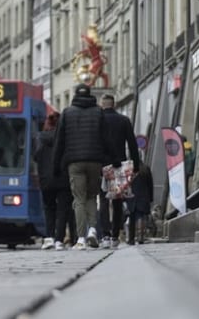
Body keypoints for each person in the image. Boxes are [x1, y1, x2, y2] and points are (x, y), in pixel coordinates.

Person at [52, 84, 113, 250]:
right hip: (95, 161)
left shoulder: (67, 113)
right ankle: (93, 230)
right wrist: (112, 161)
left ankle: (80, 238)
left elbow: (60, 142)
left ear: (74, 95)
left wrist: (56, 165)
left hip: (75, 162)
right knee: (92, 196)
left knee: (78, 199)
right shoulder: (98, 112)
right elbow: (106, 139)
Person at [97, 94, 140, 248]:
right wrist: (136, 166)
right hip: (119, 165)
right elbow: (132, 144)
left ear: (102, 104)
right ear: (114, 104)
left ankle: (105, 235)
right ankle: (115, 234)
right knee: (117, 199)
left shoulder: (98, 120)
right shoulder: (123, 120)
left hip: (102, 164)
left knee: (103, 199)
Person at [33, 112, 76, 250]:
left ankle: (49, 237)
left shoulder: (40, 137)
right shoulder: (66, 138)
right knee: (63, 210)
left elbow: (36, 156)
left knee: (49, 208)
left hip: (46, 179)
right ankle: (59, 240)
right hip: (63, 178)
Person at [127, 160, 154, 245]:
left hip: (131, 197)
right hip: (143, 196)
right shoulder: (146, 169)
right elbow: (150, 185)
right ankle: (140, 237)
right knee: (140, 216)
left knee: (132, 217)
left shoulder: (129, 170)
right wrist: (150, 198)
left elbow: (126, 184)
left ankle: (131, 239)